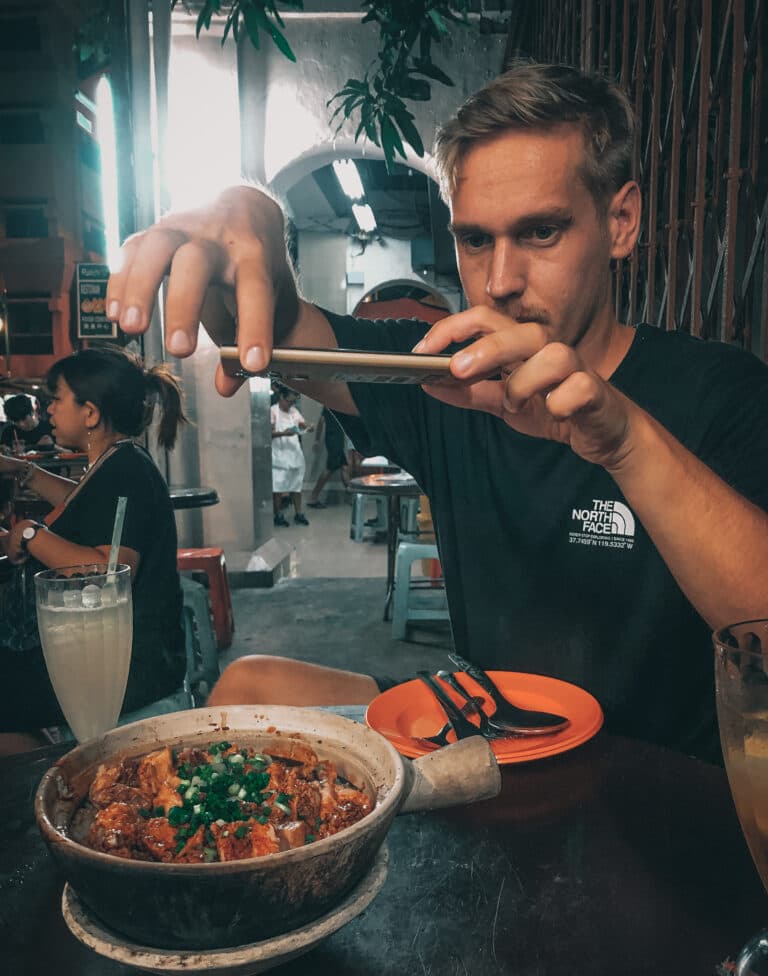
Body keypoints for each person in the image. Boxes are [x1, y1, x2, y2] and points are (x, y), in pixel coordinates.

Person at [105, 63, 768, 763]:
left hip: (654, 782)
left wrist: (626, 444)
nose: (501, 281)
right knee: (246, 686)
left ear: (620, 222)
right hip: (487, 742)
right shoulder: (445, 375)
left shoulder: (717, 391)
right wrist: (251, 219)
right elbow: (282, 331)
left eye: (541, 232)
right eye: (476, 240)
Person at [0, 346, 188, 752]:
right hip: (113, 656)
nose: (49, 409)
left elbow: (107, 571)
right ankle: (50, 760)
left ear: (90, 413)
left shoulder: (126, 471)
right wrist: (24, 470)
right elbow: (84, 502)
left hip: (127, 669)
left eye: (57, 399)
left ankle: (51, 775)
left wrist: (30, 534)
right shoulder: (116, 463)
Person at [270, 386, 313, 526]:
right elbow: (268, 433)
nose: (290, 404)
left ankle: (298, 513)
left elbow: (301, 423)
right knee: (278, 487)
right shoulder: (273, 411)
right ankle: (278, 515)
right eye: (289, 401)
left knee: (296, 486)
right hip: (279, 455)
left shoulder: (294, 411)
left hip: (295, 454)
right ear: (282, 397)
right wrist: (284, 433)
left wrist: (308, 426)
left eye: (293, 402)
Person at [307, 407, 348, 508]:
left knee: (344, 467)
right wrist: (317, 440)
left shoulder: (338, 403)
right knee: (330, 468)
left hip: (338, 438)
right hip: (334, 438)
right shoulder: (330, 404)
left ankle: (353, 495)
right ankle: (313, 498)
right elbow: (321, 421)